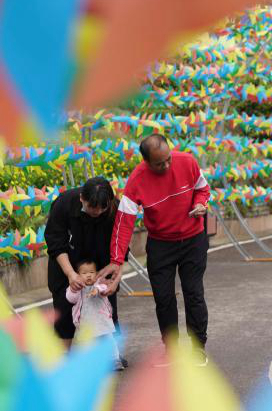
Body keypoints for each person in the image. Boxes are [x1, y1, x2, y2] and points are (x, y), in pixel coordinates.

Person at [107, 134, 212, 363]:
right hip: (161, 244)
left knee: (193, 293)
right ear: (146, 161)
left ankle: (197, 348)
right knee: (163, 298)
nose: (166, 166)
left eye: (168, 160)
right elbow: (124, 221)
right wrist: (116, 260)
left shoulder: (187, 161)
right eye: (159, 164)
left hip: (193, 239)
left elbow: (203, 190)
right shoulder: (136, 181)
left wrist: (200, 204)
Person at [44, 177, 121, 352]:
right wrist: (71, 274)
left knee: (107, 310)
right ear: (81, 198)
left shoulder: (115, 208)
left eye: (103, 208)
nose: (97, 212)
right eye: (91, 208)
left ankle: (110, 355)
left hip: (102, 266)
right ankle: (64, 357)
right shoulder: (64, 204)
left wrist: (116, 275)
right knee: (64, 312)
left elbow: (121, 245)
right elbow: (56, 243)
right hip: (67, 264)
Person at [64, 260, 122, 366]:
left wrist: (97, 289)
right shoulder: (77, 286)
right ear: (78, 275)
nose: (89, 276)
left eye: (91, 272)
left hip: (102, 319)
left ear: (96, 273)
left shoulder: (100, 282)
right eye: (84, 273)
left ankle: (115, 359)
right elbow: (70, 299)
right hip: (86, 321)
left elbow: (105, 287)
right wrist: (74, 290)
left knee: (108, 340)